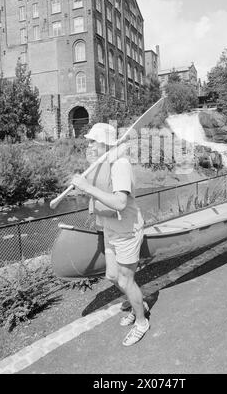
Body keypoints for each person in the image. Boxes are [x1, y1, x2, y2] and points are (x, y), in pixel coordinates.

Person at [71, 123, 149, 347]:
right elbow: (100, 194)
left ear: (105, 142)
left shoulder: (120, 164)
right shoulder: (100, 163)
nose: (89, 145)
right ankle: (139, 304)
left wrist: (87, 187)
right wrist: (84, 185)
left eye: (92, 141)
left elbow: (120, 203)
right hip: (110, 228)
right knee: (113, 276)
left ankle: (141, 322)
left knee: (126, 279)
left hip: (126, 230)